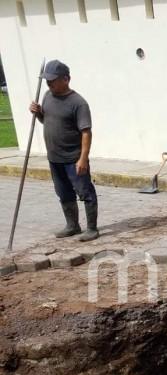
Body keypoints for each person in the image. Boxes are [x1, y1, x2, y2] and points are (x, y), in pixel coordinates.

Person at [29, 60, 98, 241]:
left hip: (73, 158)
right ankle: (72, 226)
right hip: (54, 157)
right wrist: (37, 113)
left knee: (85, 192)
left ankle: (92, 229)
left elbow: (86, 132)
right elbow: (48, 120)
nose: (48, 83)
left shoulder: (78, 103)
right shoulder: (47, 96)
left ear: (66, 79)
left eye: (52, 80)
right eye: (47, 80)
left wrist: (83, 158)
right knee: (63, 192)